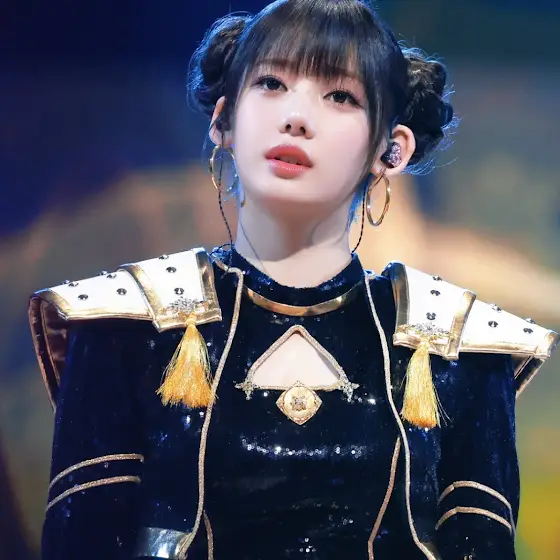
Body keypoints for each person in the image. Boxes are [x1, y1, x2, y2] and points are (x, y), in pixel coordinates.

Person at [28, 1, 558, 559]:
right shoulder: (124, 326)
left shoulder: (457, 350)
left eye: (340, 96)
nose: (297, 116)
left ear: (391, 150)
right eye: (272, 83)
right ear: (223, 121)